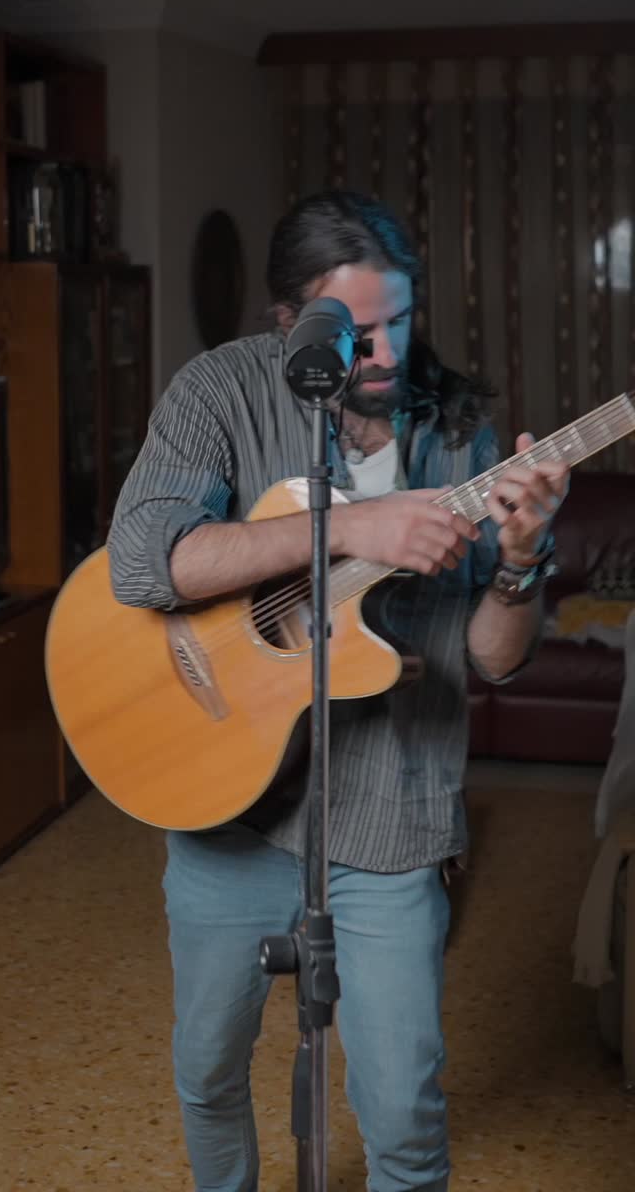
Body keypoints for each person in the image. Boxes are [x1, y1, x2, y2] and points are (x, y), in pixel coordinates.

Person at [106, 191, 569, 1192]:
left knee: (404, 1106)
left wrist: (521, 560)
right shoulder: (217, 391)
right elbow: (142, 561)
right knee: (207, 1068)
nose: (384, 350)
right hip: (227, 805)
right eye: (354, 331)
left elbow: (495, 656)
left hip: (392, 812)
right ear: (289, 322)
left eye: (398, 319)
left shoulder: (458, 429)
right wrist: (357, 528)